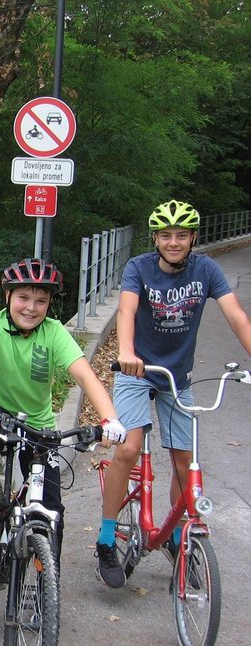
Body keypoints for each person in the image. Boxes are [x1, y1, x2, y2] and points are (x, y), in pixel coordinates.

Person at [95, 200, 251, 588]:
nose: (174, 242)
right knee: (129, 448)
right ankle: (106, 536)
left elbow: (236, 316)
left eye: (182, 235)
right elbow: (127, 311)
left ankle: (178, 533)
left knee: (185, 460)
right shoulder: (139, 268)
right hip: (138, 371)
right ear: (156, 238)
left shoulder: (206, 270)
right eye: (166, 235)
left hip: (177, 377)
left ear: (194, 237)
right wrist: (127, 352)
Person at [0, 258, 127, 567]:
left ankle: (45, 582)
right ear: (8, 296)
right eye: (23, 297)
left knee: (52, 510)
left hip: (37, 425)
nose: (31, 307)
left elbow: (85, 376)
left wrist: (109, 418)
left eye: (41, 301)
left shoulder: (53, 332)